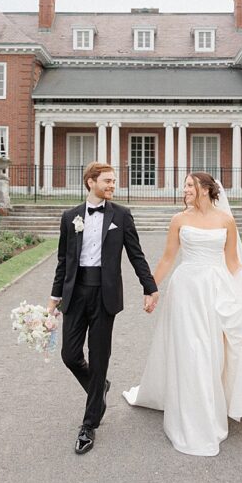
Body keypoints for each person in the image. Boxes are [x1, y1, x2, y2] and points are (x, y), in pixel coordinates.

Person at [122, 172, 242, 456]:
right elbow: (167, 258)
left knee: (213, 351)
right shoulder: (179, 220)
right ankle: (192, 415)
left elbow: (234, 263)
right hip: (186, 291)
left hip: (216, 291)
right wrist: (150, 289)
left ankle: (213, 405)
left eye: (190, 185)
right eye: (185, 185)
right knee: (191, 350)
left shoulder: (226, 221)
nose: (185, 189)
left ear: (204, 189)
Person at [48, 161, 158, 455]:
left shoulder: (121, 216)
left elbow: (136, 254)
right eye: (107, 181)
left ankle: (89, 425)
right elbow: (63, 262)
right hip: (75, 293)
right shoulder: (70, 217)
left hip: (104, 295)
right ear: (90, 182)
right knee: (70, 355)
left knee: (99, 357)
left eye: (113, 181)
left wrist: (149, 287)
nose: (112, 185)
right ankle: (100, 388)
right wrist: (54, 298)